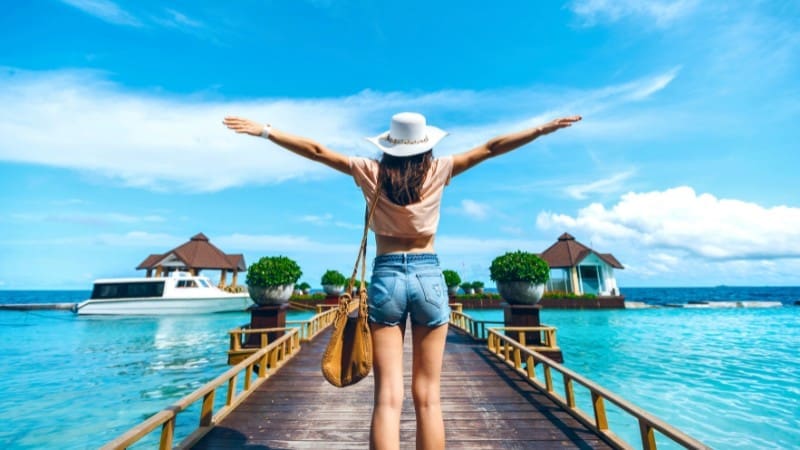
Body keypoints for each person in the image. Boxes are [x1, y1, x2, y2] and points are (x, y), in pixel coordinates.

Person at [223, 111, 581, 450]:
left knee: (387, 398)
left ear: (389, 146)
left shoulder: (369, 171)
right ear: (427, 145)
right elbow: (491, 148)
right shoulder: (441, 169)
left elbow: (317, 151)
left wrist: (267, 131)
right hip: (428, 276)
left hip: (387, 276)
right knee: (428, 397)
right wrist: (540, 130)